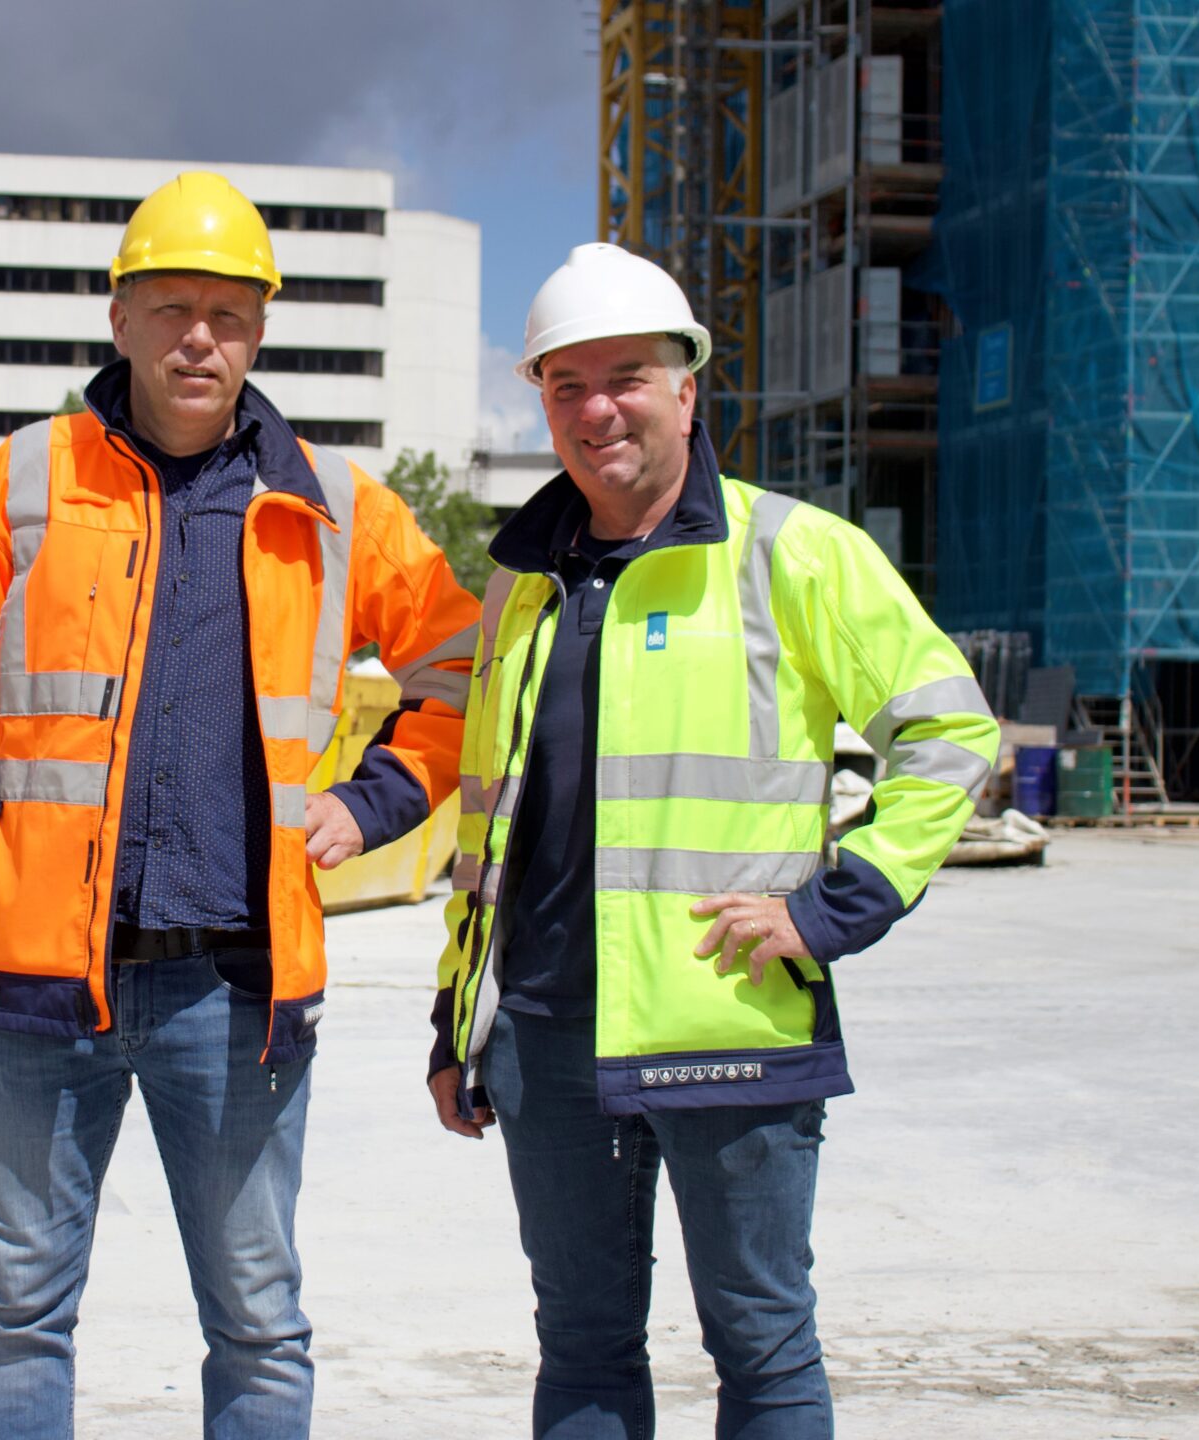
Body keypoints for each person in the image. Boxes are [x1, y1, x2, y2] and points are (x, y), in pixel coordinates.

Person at [0, 170, 481, 1440]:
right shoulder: (26, 481)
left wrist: (372, 804)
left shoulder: (333, 506)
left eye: (225, 312)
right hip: (34, 981)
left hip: (236, 987)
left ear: (259, 330)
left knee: (259, 1324)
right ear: (121, 320)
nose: (197, 337)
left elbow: (463, 673)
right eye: (169, 309)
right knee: (18, 1309)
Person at [426, 243, 999, 1439]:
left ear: (688, 386)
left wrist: (830, 910)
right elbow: (493, 827)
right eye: (565, 384)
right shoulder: (520, 586)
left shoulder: (792, 552)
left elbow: (949, 734)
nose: (596, 410)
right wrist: (456, 1018)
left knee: (761, 1343)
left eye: (626, 376)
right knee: (579, 1349)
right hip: (543, 1031)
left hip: (728, 1023)